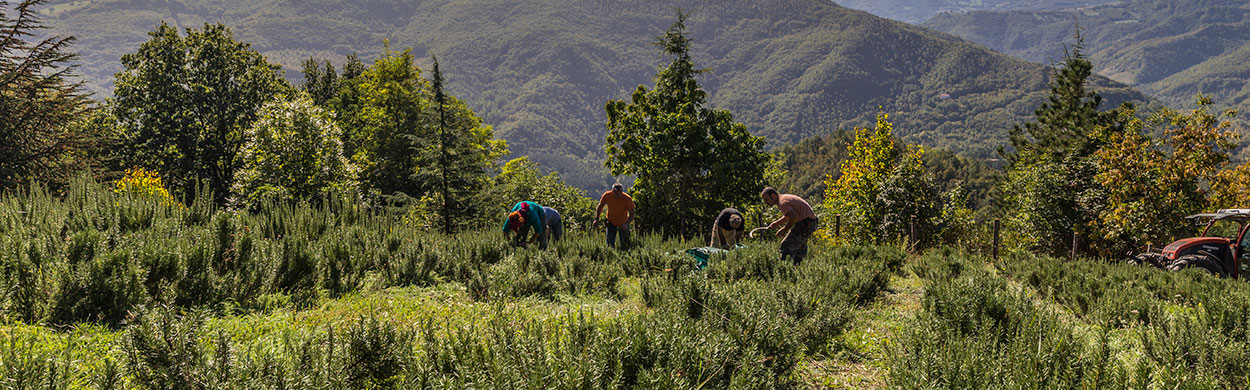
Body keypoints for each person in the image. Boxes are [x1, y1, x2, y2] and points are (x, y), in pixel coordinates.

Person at [760, 187, 818, 264]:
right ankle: (799, 270)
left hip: (805, 223)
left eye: (766, 199)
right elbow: (790, 215)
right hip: (810, 222)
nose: (766, 202)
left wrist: (784, 229)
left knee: (786, 247)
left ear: (773, 195)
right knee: (798, 250)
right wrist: (777, 223)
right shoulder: (784, 198)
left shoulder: (782, 202)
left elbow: (794, 217)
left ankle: (786, 270)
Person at [593, 183, 636, 249]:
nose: (619, 196)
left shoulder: (627, 198)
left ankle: (624, 257)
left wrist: (626, 224)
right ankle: (611, 256)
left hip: (623, 223)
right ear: (612, 191)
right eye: (616, 194)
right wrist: (597, 218)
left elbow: (632, 213)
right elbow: (600, 206)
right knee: (610, 245)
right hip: (610, 222)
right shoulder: (607, 195)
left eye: (620, 193)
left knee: (625, 245)